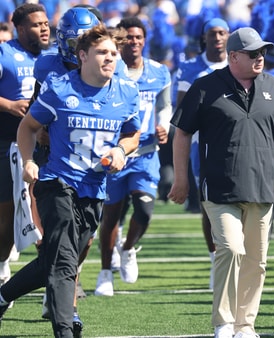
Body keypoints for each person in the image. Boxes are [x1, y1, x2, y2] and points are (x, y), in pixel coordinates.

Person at [0, 23, 141, 338]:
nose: (110, 58)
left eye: (113, 53)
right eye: (102, 52)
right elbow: (28, 127)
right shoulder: (61, 88)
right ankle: (66, 328)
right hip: (58, 183)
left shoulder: (126, 91)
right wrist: (28, 161)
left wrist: (120, 150)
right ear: (82, 56)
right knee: (64, 264)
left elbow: (133, 134)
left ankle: (2, 296)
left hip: (95, 189)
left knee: (55, 259)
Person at [168, 27, 274, 338]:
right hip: (219, 187)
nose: (260, 58)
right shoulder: (204, 88)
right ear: (233, 57)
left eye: (262, 52)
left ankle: (245, 325)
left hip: (262, 187)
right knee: (230, 249)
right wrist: (180, 178)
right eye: (253, 53)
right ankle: (224, 322)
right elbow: (182, 133)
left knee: (257, 262)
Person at [31, 6, 101, 332]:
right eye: (75, 43)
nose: (79, 51)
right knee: (58, 240)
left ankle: (15, 294)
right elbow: (35, 112)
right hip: (53, 159)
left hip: (89, 163)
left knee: (82, 242)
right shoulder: (48, 67)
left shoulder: (103, 62)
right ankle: (65, 304)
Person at [94, 16, 172, 297]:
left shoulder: (159, 72)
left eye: (138, 37)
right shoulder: (110, 71)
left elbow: (165, 105)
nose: (134, 41)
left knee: (144, 210)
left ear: (145, 40)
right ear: (119, 40)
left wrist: (164, 124)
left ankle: (127, 249)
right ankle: (104, 272)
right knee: (111, 215)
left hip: (146, 153)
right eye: (128, 37)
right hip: (116, 154)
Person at [175, 16, 230, 290]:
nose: (218, 37)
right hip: (203, 145)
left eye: (222, 33)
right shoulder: (190, 68)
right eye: (213, 33)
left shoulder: (237, 64)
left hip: (234, 144)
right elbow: (182, 112)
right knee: (209, 205)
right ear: (204, 37)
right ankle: (214, 259)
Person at [0, 2, 51, 294]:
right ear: (19, 28)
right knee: (6, 219)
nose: (44, 28)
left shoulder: (57, 55)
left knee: (49, 217)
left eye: (45, 23)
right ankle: (2, 266)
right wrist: (8, 105)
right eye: (36, 24)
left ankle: (56, 288)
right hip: (7, 144)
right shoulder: (4, 54)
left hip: (48, 146)